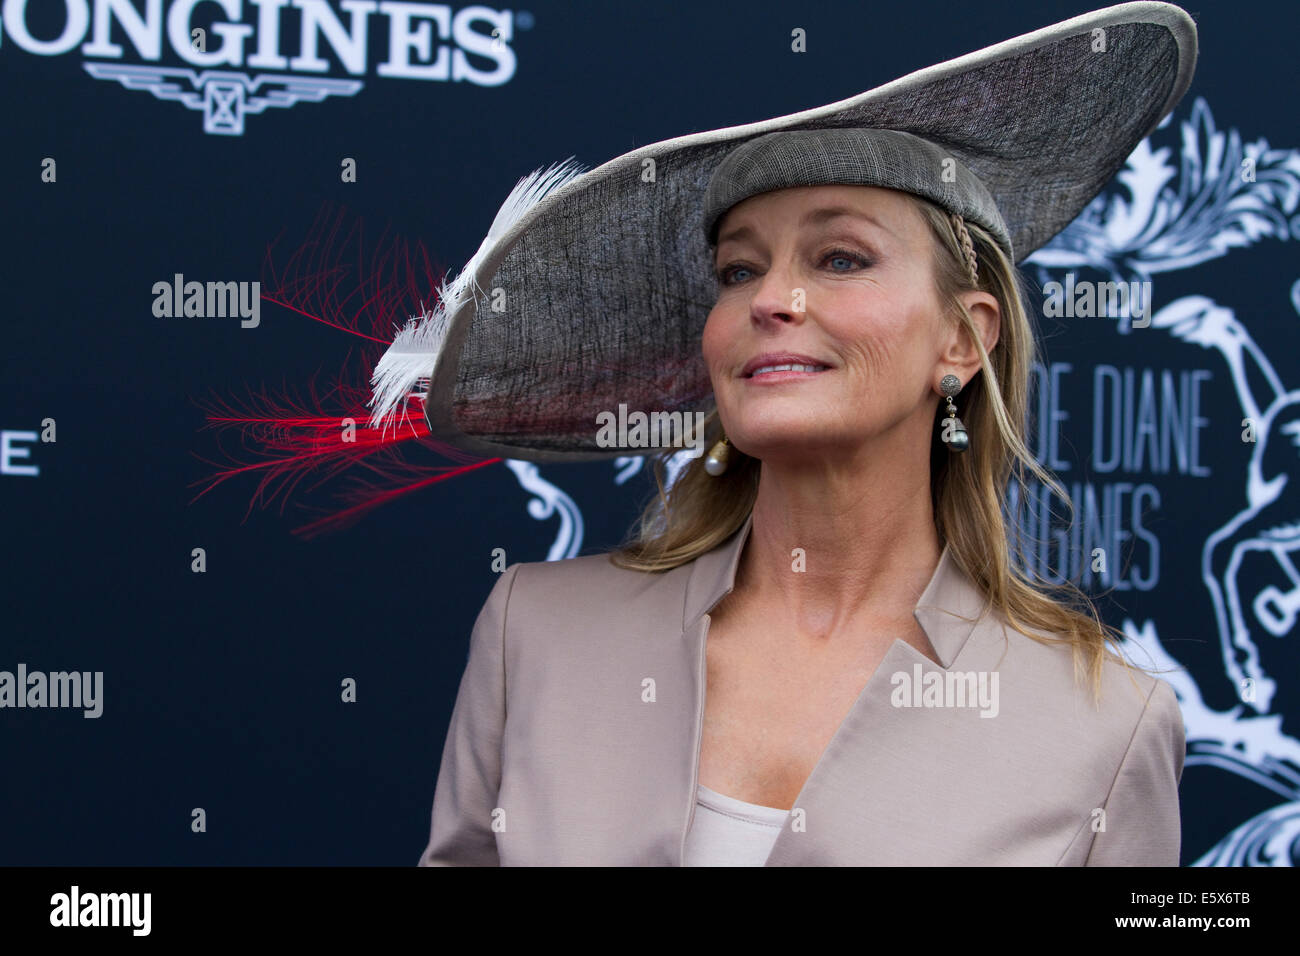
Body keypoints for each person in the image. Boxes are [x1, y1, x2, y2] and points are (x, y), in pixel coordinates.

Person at [390, 2, 1198, 865]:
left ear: (963, 339)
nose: (770, 300)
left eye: (839, 259)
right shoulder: (537, 635)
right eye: (738, 270)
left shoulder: (1105, 724)